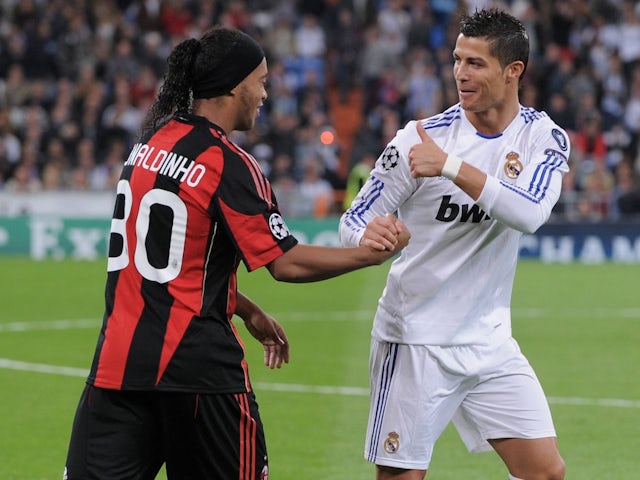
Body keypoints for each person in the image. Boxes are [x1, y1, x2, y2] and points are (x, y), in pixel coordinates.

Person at [63, 26, 409, 480]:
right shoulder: (226, 162)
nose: (267, 92)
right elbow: (285, 263)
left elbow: (168, 260)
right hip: (200, 376)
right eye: (261, 81)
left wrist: (243, 307)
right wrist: (369, 255)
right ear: (233, 85)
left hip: (117, 368)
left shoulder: (148, 146)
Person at [339, 9, 569, 480]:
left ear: (514, 70)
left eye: (476, 63)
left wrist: (449, 167)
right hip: (415, 340)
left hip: (488, 341)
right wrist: (368, 234)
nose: (461, 73)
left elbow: (528, 213)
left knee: (545, 472)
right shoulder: (418, 139)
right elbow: (355, 217)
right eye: (457, 60)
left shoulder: (540, 137)